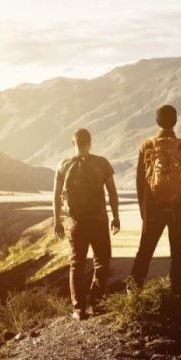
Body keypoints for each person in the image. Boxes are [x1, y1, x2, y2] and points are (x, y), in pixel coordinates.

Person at [129, 105, 181, 294]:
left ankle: (134, 289)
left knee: (145, 251)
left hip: (152, 209)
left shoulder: (147, 145)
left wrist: (143, 209)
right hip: (178, 209)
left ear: (157, 121)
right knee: (177, 252)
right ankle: (177, 292)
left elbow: (140, 181)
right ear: (175, 121)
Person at [53, 128, 120, 320]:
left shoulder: (63, 165)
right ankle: (97, 302)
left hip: (74, 223)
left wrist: (58, 221)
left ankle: (78, 309)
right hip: (98, 221)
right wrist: (115, 217)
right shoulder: (102, 163)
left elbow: (56, 196)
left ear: (72, 143)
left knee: (76, 264)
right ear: (90, 143)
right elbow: (112, 193)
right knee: (102, 262)